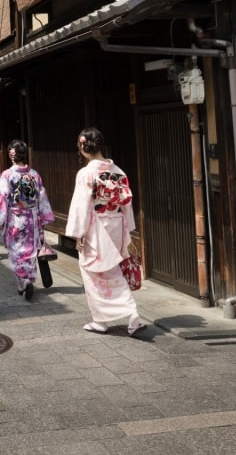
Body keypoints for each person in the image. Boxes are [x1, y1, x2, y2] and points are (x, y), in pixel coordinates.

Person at [65, 127, 147, 337]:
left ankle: (128, 315)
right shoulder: (118, 171)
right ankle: (102, 319)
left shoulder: (87, 173)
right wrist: (127, 228)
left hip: (96, 227)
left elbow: (81, 205)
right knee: (110, 270)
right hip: (116, 223)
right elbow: (126, 203)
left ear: (83, 146)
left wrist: (78, 233)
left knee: (97, 273)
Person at [0, 140, 54, 301]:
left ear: (11, 155)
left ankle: (23, 282)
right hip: (32, 217)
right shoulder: (34, 174)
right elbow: (41, 197)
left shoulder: (7, 175)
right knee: (30, 250)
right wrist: (44, 217)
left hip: (15, 218)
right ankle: (29, 278)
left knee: (16, 251)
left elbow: (1, 198)